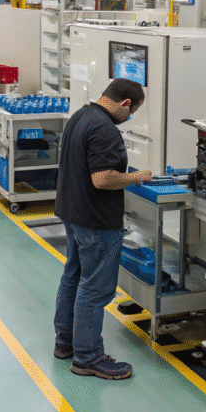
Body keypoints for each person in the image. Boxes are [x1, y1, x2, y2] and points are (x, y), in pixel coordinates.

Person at [53, 79, 153, 380]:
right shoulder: (105, 129)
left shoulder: (81, 116)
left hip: (72, 212)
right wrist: (137, 177)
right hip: (95, 220)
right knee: (95, 289)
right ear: (125, 104)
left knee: (74, 277)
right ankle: (88, 357)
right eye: (132, 112)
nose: (130, 117)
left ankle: (66, 343)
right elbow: (103, 178)